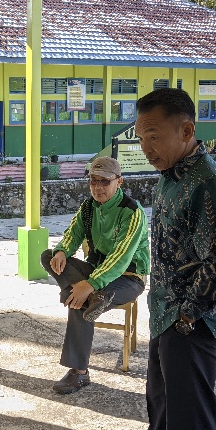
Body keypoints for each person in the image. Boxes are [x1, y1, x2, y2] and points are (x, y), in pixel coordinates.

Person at [110, 88, 216, 430]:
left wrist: (186, 317)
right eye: (140, 138)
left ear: (186, 130)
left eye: (153, 136)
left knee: (190, 411)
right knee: (161, 397)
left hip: (192, 319)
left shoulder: (210, 184)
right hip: (166, 310)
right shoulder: (171, 175)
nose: (146, 148)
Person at [40, 156, 149, 394]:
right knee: (48, 256)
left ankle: (79, 372)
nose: (97, 187)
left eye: (104, 182)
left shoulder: (132, 212)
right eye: (93, 181)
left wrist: (90, 284)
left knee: (79, 303)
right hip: (97, 272)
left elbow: (120, 258)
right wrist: (61, 251)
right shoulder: (88, 207)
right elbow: (72, 234)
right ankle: (88, 296)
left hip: (129, 278)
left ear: (118, 182)